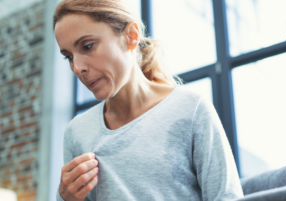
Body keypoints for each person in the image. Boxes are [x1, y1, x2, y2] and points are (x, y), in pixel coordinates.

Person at [53, 0, 244, 200]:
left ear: (131, 36)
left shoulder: (191, 108)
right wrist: (65, 198)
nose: (77, 68)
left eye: (88, 46)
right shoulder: (77, 132)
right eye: (69, 57)